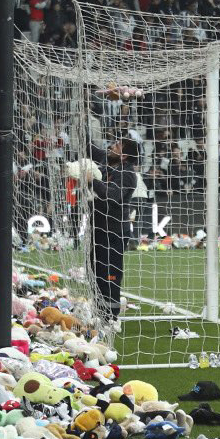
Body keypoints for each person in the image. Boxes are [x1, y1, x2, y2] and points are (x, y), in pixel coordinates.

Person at [84, 139, 135, 329]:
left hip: (114, 231)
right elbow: (90, 147)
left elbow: (113, 196)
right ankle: (99, 312)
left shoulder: (128, 174)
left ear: (125, 155)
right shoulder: (108, 161)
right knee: (95, 272)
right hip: (98, 228)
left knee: (110, 275)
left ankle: (110, 317)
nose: (112, 146)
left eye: (117, 145)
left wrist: (93, 181)